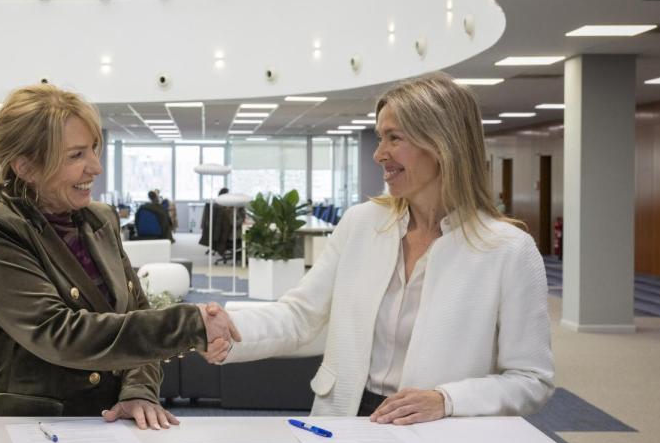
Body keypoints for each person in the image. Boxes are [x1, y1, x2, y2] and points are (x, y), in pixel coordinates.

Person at [203, 72, 554, 424]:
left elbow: (530, 379)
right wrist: (229, 327)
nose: (379, 154)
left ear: (442, 143)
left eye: (394, 138)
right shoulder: (361, 224)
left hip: (437, 430)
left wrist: (446, 399)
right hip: (344, 415)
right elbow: (300, 315)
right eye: (380, 138)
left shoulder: (508, 250)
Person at [0, 84, 238, 432]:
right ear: (27, 167)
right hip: (31, 431)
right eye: (76, 156)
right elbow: (58, 333)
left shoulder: (100, 219)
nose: (95, 167)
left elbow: (137, 314)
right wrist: (188, 325)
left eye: (93, 149)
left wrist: (139, 390)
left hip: (109, 426)